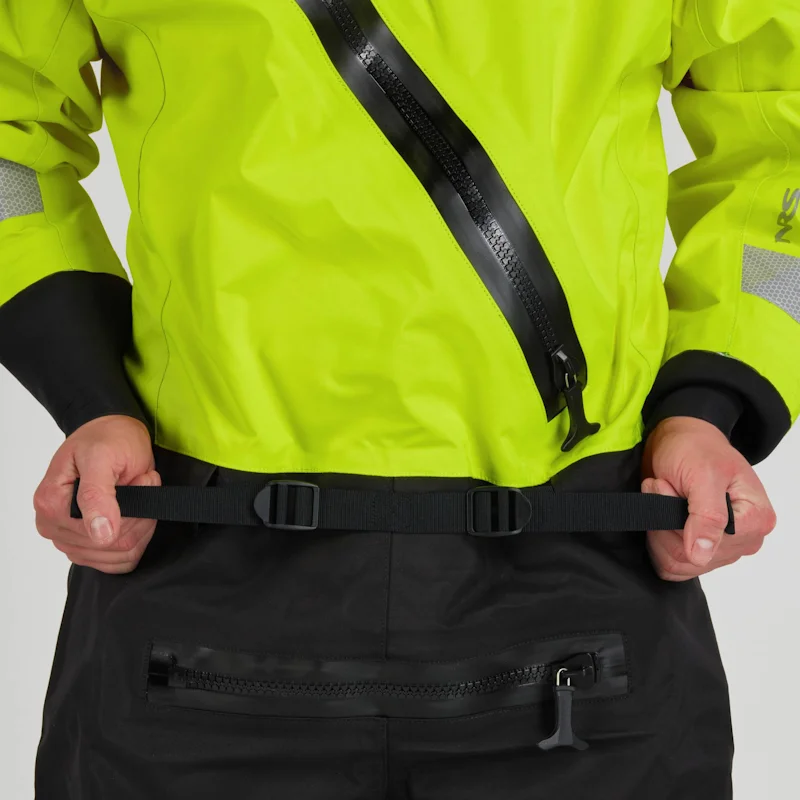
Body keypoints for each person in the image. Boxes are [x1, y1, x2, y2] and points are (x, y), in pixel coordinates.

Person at [1, 1, 797, 797]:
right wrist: (89, 398)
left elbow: (781, 145)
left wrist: (709, 407)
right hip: (212, 556)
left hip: (566, 554)